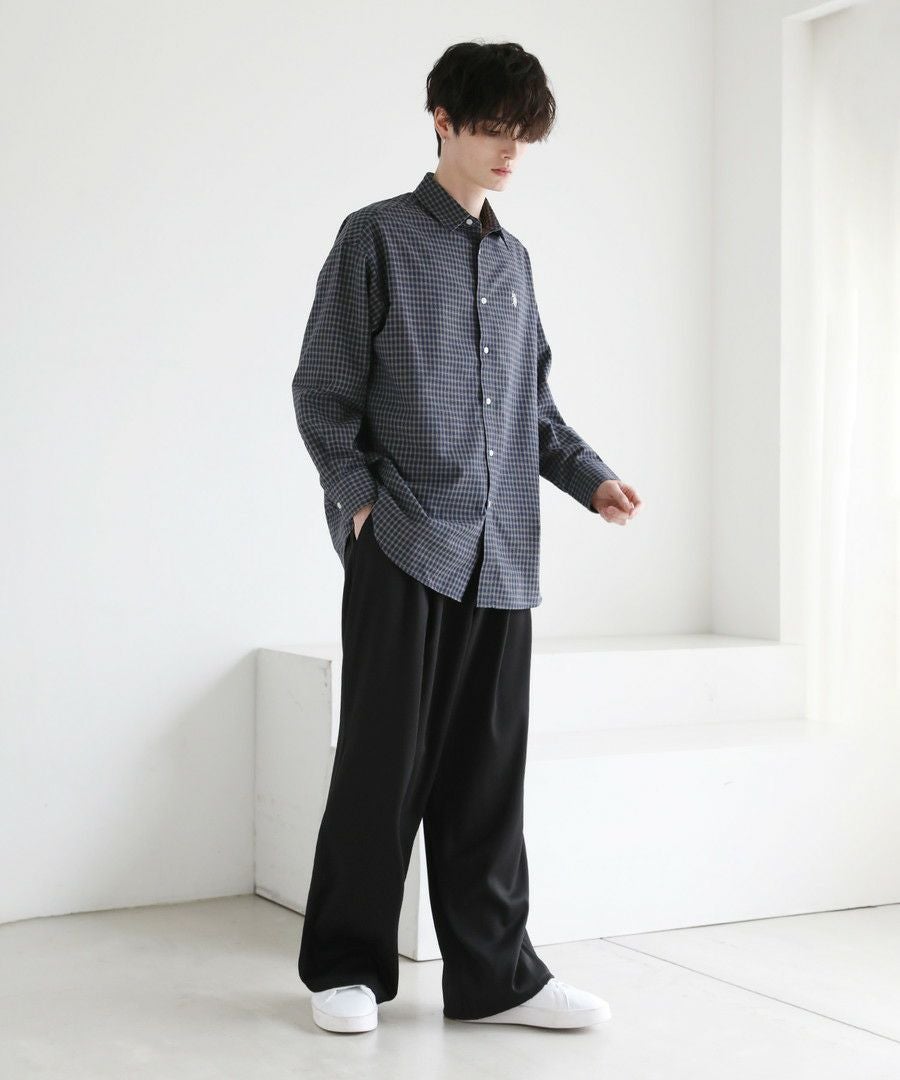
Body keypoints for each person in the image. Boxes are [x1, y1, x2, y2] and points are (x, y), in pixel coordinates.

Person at [291, 39, 641, 1035]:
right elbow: (322, 393)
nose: (509, 150)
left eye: (521, 133)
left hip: (503, 554)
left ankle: (497, 977)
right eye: (492, 128)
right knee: (382, 762)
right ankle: (347, 968)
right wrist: (362, 508)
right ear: (442, 121)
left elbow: (532, 409)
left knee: (488, 777)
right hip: (405, 542)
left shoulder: (515, 263)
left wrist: (590, 478)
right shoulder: (374, 238)